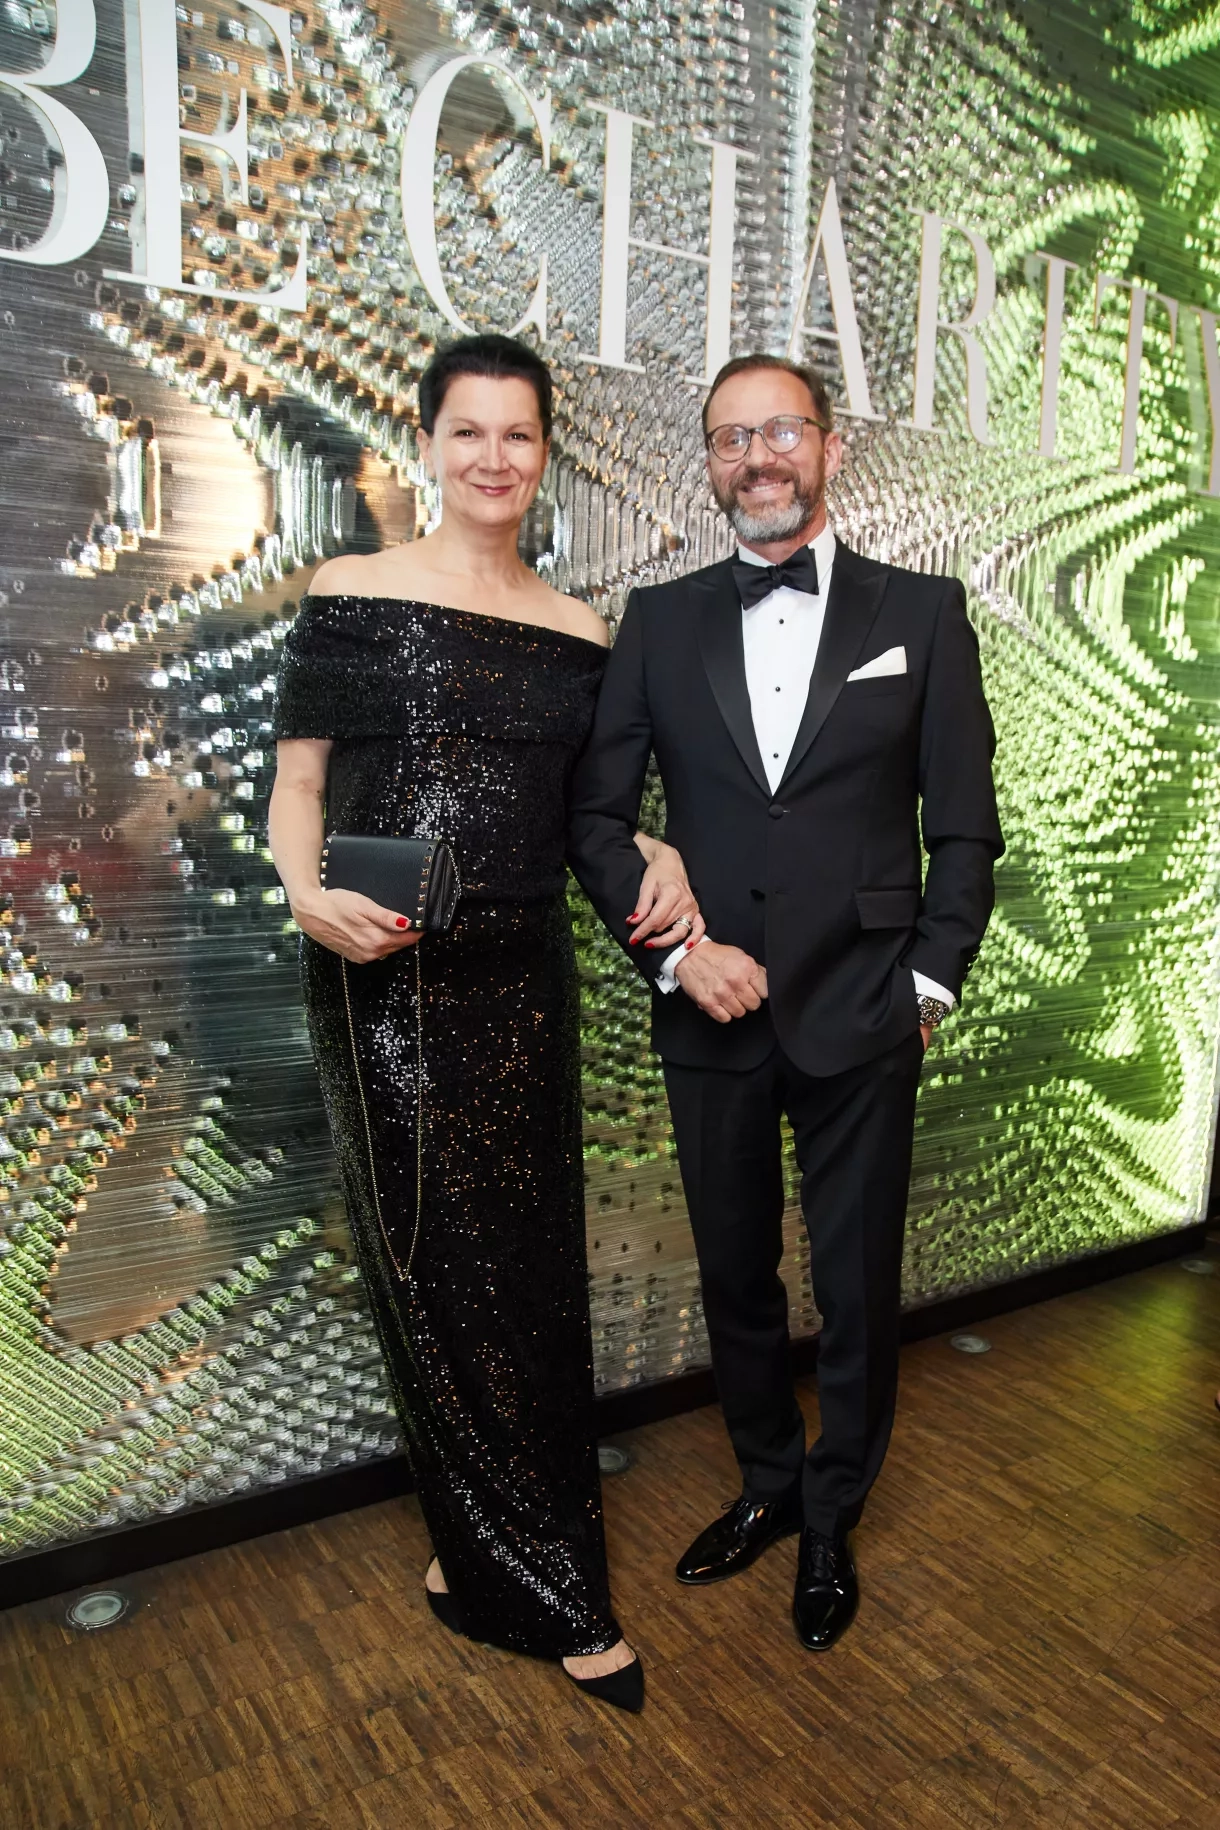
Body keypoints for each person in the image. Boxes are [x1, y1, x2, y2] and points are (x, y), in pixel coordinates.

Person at [268, 332, 703, 1712]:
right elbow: (299, 785)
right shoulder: (352, 591)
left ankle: (479, 1554)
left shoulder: (582, 632)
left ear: (544, 454)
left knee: (524, 1272)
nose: (493, 458)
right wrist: (304, 894)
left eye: (518, 435)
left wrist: (655, 845)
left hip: (521, 976)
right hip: (382, 970)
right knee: (425, 1264)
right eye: (468, 431)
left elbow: (583, 815)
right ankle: (551, 1589)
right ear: (427, 444)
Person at [568, 353, 1003, 1652]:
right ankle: (767, 1479)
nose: (755, 457)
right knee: (735, 1274)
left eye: (779, 431)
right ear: (710, 463)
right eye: (729, 438)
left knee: (858, 1285)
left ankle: (832, 1511)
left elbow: (966, 829)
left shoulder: (922, 612)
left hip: (866, 1009)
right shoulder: (658, 620)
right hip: (708, 1008)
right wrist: (673, 956)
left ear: (827, 447)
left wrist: (927, 981)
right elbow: (596, 822)